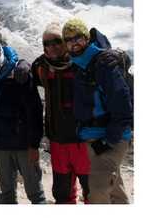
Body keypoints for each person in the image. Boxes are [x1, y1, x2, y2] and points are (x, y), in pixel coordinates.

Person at [63, 18, 133, 204]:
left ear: (86, 38)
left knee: (98, 190)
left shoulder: (103, 63)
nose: (73, 43)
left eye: (78, 38)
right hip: (93, 137)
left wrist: (109, 139)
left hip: (111, 138)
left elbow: (123, 104)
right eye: (68, 40)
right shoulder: (79, 65)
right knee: (114, 190)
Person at [0, 38, 46, 204]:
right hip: (1, 146)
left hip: (23, 144)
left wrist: (34, 144)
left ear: (1, 50)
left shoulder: (19, 72)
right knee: (7, 194)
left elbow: (34, 109)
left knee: (35, 194)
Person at [32, 22, 89, 204]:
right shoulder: (41, 67)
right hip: (58, 141)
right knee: (62, 194)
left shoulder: (82, 65)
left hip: (84, 140)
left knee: (92, 193)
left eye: (56, 41)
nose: (52, 46)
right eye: (47, 43)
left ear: (65, 42)